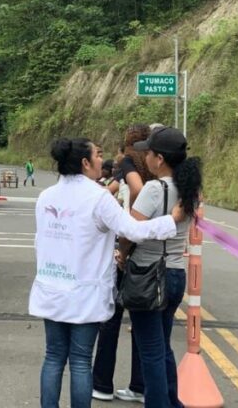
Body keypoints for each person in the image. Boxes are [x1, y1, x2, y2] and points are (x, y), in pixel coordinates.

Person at [30, 138, 185, 408]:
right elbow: (133, 230)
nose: (104, 161)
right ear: (85, 163)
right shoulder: (98, 197)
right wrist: (172, 219)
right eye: (98, 155)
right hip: (84, 292)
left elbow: (40, 242)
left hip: (51, 287)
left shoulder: (46, 197)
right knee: (80, 361)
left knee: (53, 357)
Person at [110, 125, 199, 408]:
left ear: (159, 159)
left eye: (148, 152)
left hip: (147, 275)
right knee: (162, 345)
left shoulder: (153, 188)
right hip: (174, 273)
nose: (145, 157)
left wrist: (122, 254)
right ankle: (173, 402)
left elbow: (129, 231)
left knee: (149, 350)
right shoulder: (188, 189)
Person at [93, 124, 154, 401]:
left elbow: (126, 191)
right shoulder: (158, 166)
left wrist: (132, 217)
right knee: (142, 321)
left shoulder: (128, 161)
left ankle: (102, 384)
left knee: (111, 317)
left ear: (128, 142)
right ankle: (140, 386)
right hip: (153, 250)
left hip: (128, 243)